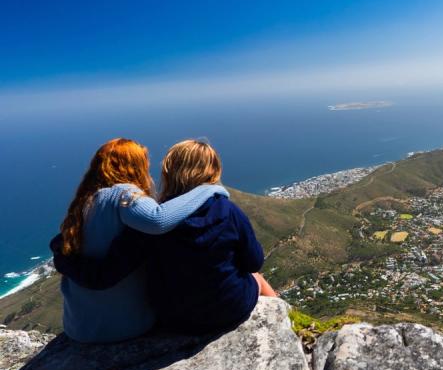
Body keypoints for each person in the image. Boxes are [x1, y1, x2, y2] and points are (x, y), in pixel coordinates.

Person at [54, 139, 278, 337]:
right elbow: (253, 261)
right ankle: (282, 314)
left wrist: (61, 254)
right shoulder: (225, 211)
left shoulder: (97, 209)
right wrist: (211, 189)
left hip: (170, 318)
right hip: (219, 310)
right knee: (254, 275)